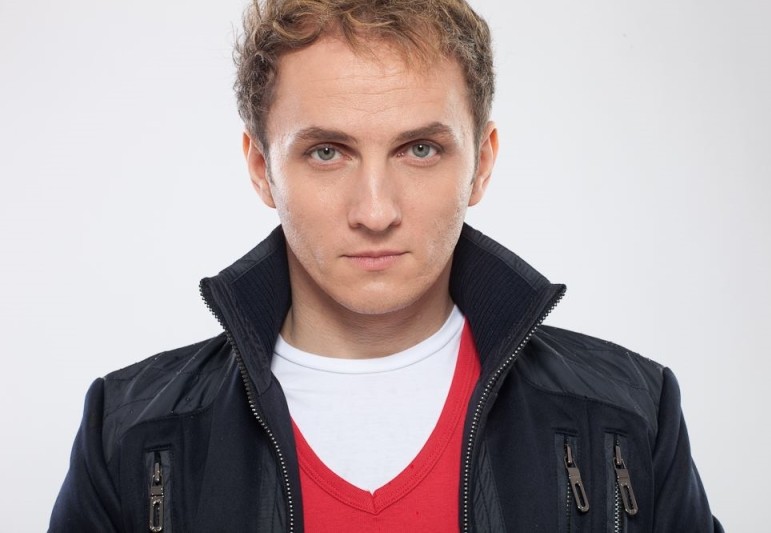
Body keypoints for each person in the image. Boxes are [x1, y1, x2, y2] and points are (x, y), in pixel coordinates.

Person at [50, 0, 723, 531]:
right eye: (327, 152)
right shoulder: (131, 432)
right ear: (260, 168)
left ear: (482, 163)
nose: (375, 211)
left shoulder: (627, 412)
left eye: (420, 149)